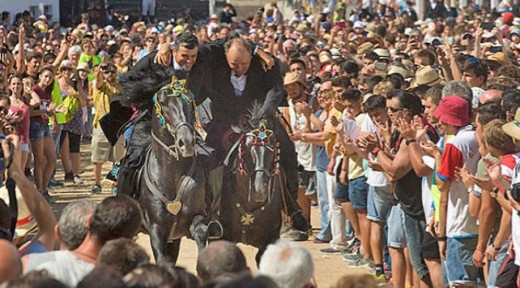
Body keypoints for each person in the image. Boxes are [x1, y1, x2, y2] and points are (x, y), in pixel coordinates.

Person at [24, 195, 142, 287]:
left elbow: (46, 227)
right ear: (131, 239)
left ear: (90, 222)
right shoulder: (133, 280)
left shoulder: (29, 263)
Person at [91, 63, 124, 193]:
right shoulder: (101, 86)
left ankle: (115, 183)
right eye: (107, 72)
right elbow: (98, 81)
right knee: (97, 158)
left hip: (117, 125)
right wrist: (99, 71)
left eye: (112, 72)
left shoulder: (120, 86)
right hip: (101, 125)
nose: (110, 74)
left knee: (117, 157)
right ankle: (97, 183)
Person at [29, 68, 58, 201]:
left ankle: (44, 188)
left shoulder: (48, 91)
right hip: (35, 126)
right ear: (40, 76)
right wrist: (46, 110)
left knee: (51, 159)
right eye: (45, 76)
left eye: (50, 78)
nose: (47, 80)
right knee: (39, 160)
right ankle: (39, 190)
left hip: (45, 125)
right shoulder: (33, 90)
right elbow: (28, 112)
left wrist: (54, 118)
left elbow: (49, 110)